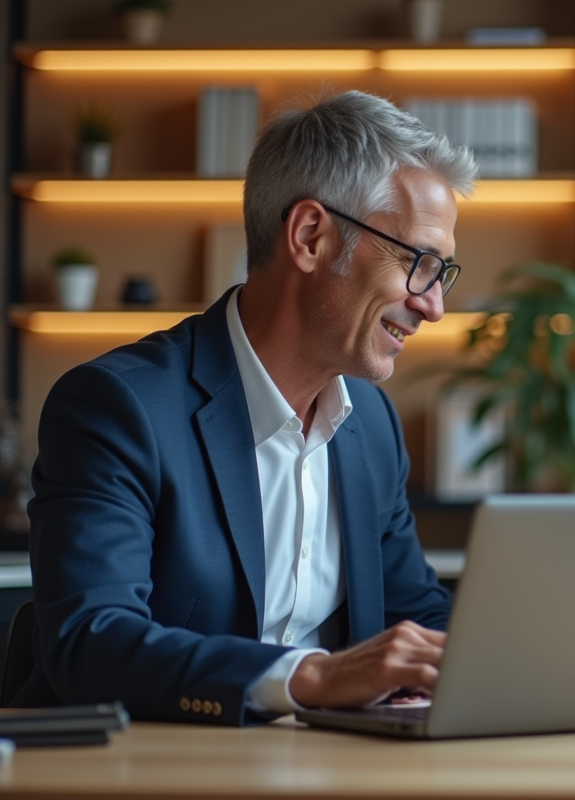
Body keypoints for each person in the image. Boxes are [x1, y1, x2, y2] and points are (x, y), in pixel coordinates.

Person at [17, 90, 476, 724]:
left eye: (441, 273)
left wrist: (511, 661)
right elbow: (89, 640)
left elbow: (415, 613)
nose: (433, 306)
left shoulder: (370, 422)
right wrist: (312, 676)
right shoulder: (118, 407)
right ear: (310, 236)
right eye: (417, 262)